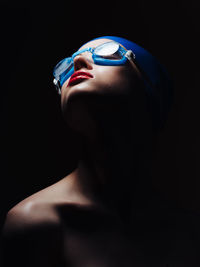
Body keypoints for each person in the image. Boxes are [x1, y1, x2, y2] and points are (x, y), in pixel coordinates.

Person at [2, 36, 198, 267]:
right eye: (65, 67)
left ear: (150, 89)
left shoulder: (190, 233)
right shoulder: (35, 224)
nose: (79, 62)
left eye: (107, 53)